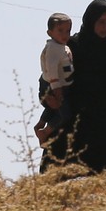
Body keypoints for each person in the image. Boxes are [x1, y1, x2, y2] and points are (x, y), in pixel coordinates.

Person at [40, 0, 106, 174]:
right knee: (55, 182)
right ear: (91, 20)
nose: (105, 27)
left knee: (105, 183)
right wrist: (47, 96)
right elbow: (47, 77)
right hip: (70, 122)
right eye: (101, 22)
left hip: (99, 124)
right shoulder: (70, 46)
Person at [34, 13, 73, 146]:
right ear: (50, 32)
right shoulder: (53, 49)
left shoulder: (61, 46)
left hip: (63, 85)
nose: (65, 34)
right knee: (65, 113)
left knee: (53, 108)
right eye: (60, 31)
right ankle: (45, 132)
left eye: (67, 31)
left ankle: (41, 123)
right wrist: (57, 90)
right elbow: (51, 71)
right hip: (55, 86)